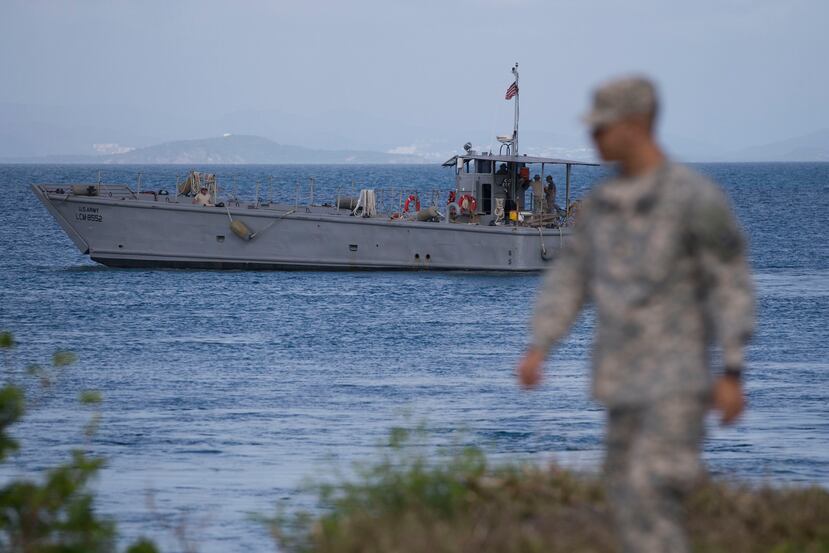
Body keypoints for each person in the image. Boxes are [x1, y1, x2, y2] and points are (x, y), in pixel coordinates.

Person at [516, 75, 755, 553]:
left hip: (676, 385)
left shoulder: (695, 200)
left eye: (603, 127)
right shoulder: (604, 206)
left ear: (635, 124)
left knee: (652, 494)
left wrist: (732, 369)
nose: (594, 137)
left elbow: (730, 284)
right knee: (626, 498)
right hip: (620, 383)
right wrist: (540, 344)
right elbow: (571, 279)